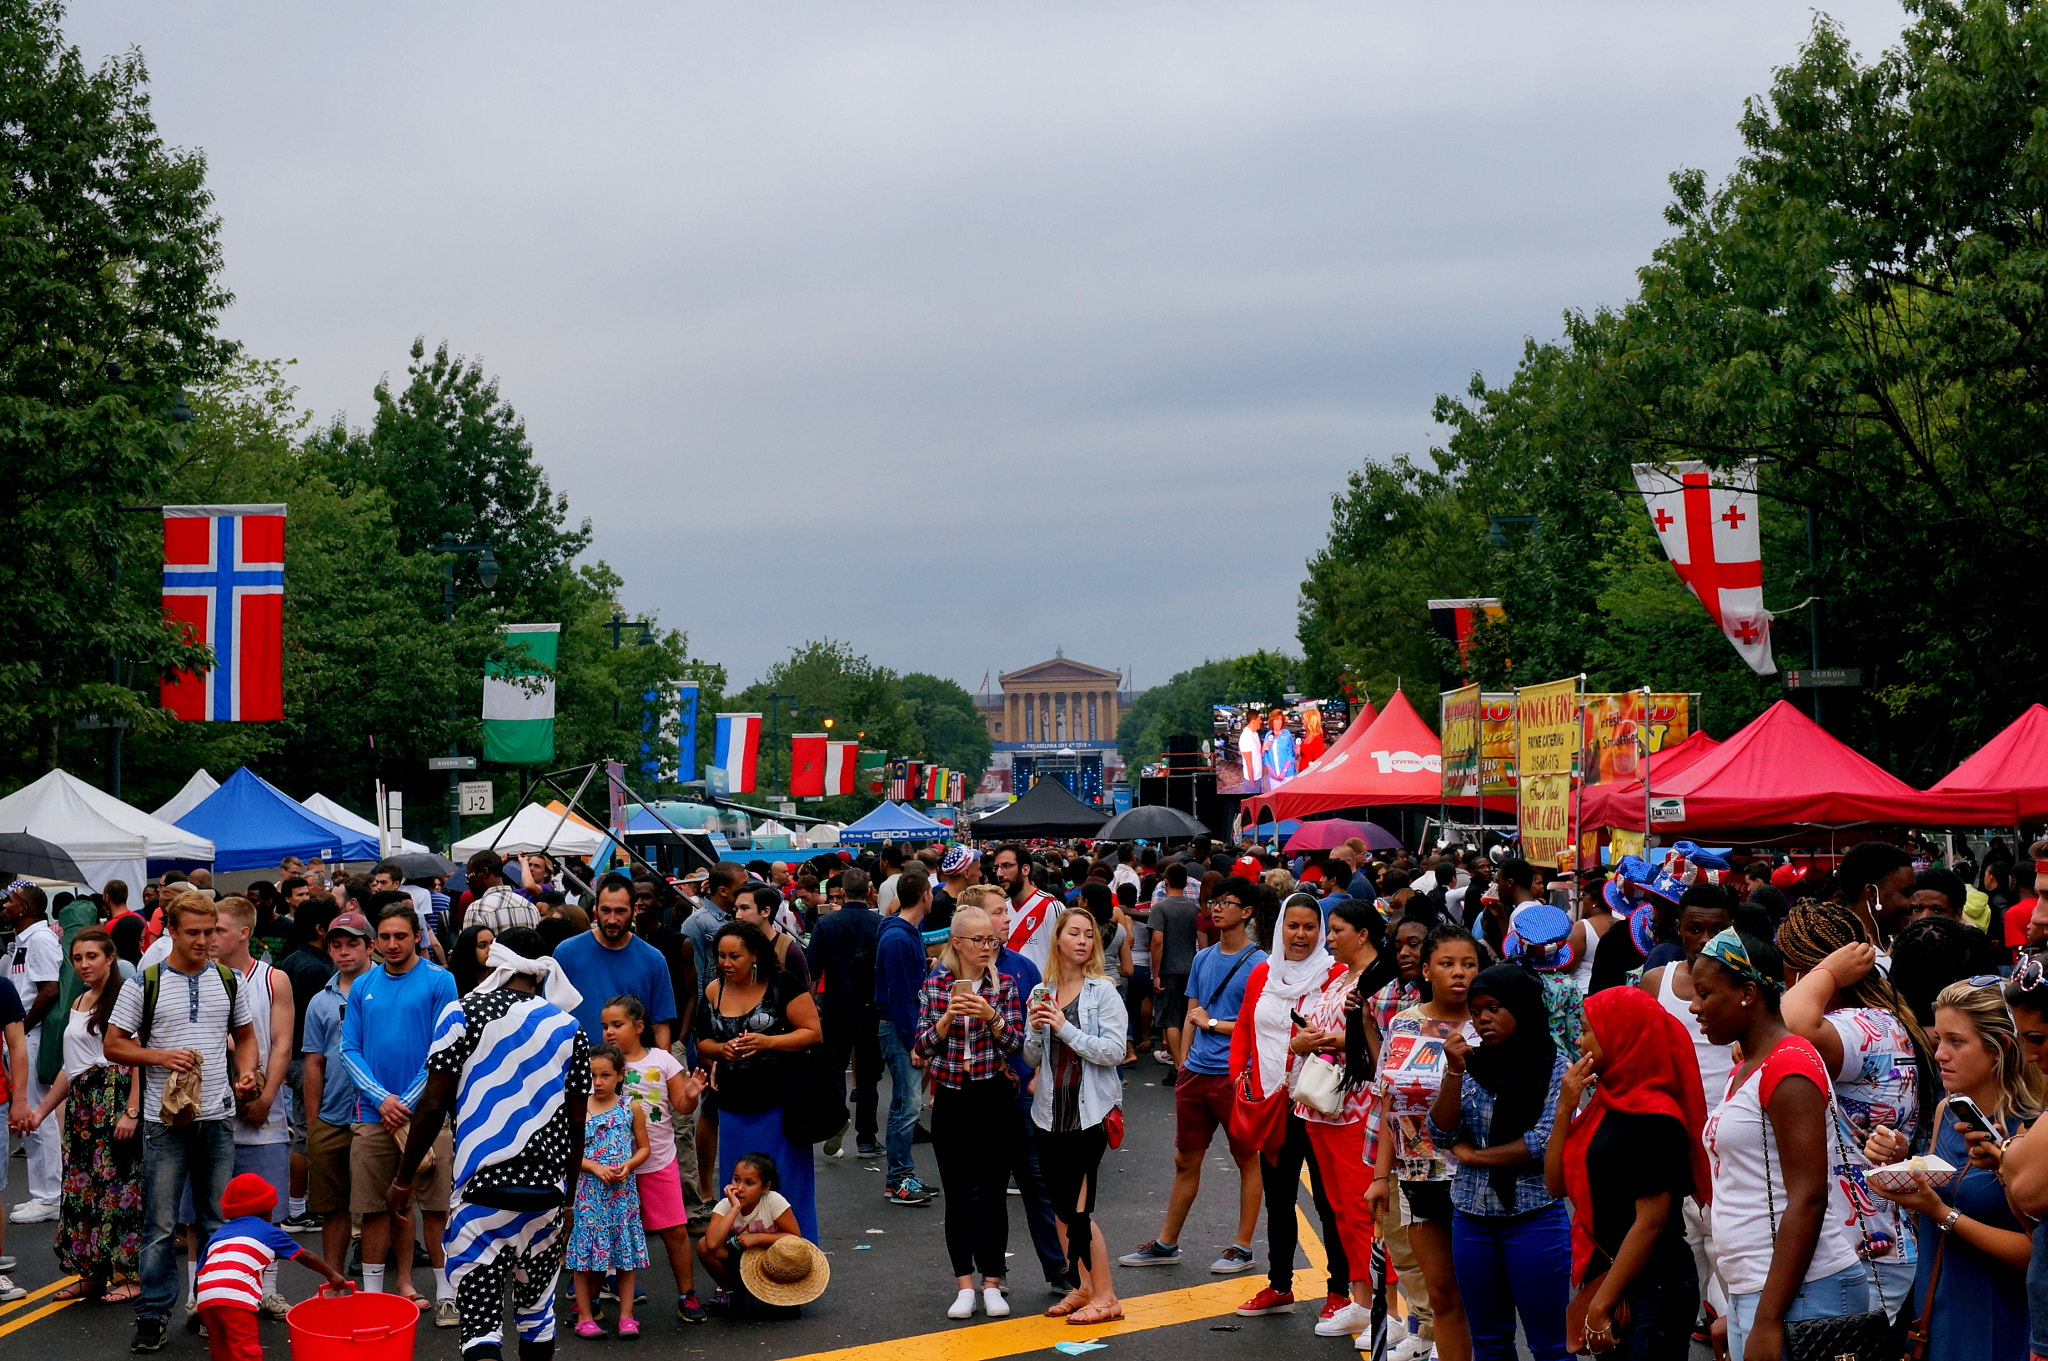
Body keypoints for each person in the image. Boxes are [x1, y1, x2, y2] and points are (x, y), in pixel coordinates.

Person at [390, 927, 591, 1360]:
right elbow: (578, 1125)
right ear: (542, 971)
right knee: (537, 1317)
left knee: (481, 1327)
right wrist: (569, 1200)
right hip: (546, 1196)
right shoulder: (569, 1026)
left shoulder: (461, 1012)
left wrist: (403, 1180)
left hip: (480, 1196)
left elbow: (431, 1104)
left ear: (495, 963)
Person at [1691, 930, 1872, 1361]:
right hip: (1761, 1290)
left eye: (1704, 994)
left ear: (1748, 993)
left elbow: (1808, 1197)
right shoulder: (1747, 1067)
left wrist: (1767, 1319)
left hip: (1803, 1293)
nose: (1694, 1007)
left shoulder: (1789, 1066)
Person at [103, 895, 260, 1354]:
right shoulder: (145, 983)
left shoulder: (229, 980)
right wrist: (158, 1055)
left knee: (216, 1221)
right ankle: (152, 1317)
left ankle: (213, 1309)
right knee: (160, 1224)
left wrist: (247, 1073)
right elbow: (114, 1045)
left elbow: (246, 1037)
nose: (205, 941)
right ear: (171, 931)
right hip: (162, 1122)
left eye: (210, 931)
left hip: (217, 1117)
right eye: (193, 933)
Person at [1864, 978, 2037, 1361]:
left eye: (1956, 1041)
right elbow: (1934, 1209)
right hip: (1937, 1313)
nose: (1940, 1053)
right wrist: (1899, 1168)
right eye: (1939, 1038)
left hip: (2000, 1319)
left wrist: (1944, 1214)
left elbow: (2037, 1252)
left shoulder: (2033, 1128)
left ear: (2000, 1049)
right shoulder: (1949, 1112)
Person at [1776, 900, 1935, 1311]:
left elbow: (1794, 1026)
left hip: (1865, 1251)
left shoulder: (1858, 1026)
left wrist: (1825, 972)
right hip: (1872, 1242)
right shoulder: (1879, 1020)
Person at [1544, 983, 1709, 1361]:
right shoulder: (1605, 1103)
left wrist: (1602, 1304)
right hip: (1615, 1278)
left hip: (1653, 1285)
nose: (1580, 1040)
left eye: (1587, 1030)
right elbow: (1555, 1185)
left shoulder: (1655, 1117)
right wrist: (1563, 1110)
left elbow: (1650, 1222)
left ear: (1622, 1034)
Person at [1119, 878, 1266, 1276]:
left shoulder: (1260, 965)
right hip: (1196, 1074)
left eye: (1226, 903)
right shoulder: (1204, 958)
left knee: (1246, 1159)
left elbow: (1261, 1026)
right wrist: (1183, 1064)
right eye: (1214, 903)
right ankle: (1167, 1243)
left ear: (1247, 912)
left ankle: (1242, 1246)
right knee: (1186, 1158)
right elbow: (1190, 1013)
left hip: (1236, 1076)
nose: (1216, 909)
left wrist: (1215, 1025)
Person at [1429, 964, 1569, 1361]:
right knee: (1489, 1345)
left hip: (1534, 1216)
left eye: (1494, 1007)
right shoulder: (1470, 1064)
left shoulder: (1554, 1066)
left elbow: (1543, 1140)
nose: (1482, 1019)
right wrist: (1453, 1073)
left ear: (1521, 1007)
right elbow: (1440, 1134)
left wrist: (1475, 1156)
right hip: (1472, 1219)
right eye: (1475, 1011)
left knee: (1551, 1347)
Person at [1272, 897, 1396, 1337]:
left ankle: (1390, 1307)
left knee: (1365, 1207)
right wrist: (1309, 1040)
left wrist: (1327, 1043)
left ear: (1362, 934)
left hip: (1356, 1108)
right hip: (1322, 1105)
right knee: (1341, 1207)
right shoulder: (1340, 977)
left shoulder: (1382, 978)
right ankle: (1362, 1300)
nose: (1329, 938)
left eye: (1337, 929)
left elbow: (1382, 1037)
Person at [1230, 893, 1352, 1324]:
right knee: (1278, 1199)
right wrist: (1239, 1079)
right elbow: (1245, 1026)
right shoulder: (1263, 972)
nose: (1301, 935)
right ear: (1279, 927)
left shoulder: (1336, 975)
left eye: (1310, 927)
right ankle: (1280, 1284)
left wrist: (1304, 1046)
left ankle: (1340, 1291)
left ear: (1321, 932)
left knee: (1329, 1200)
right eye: (1293, 926)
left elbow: (1349, 1036)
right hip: (1269, 1103)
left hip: (1319, 1104)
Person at [340, 896, 458, 1315]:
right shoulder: (363, 986)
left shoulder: (440, 980)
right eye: (385, 937)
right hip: (373, 1116)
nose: (392, 944)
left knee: (436, 1208)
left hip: (428, 1115)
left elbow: (445, 1048)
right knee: (374, 1209)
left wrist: (404, 1102)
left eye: (400, 937)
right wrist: (381, 1098)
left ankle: (448, 1296)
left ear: (417, 937)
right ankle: (373, 1298)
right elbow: (348, 1049)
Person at [1372, 923, 1483, 1361]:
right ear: (1426, 971)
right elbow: (1389, 1107)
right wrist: (1382, 1177)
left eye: (1469, 964)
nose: (1459, 973)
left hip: (1478, 1179)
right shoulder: (1403, 1023)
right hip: (1418, 1180)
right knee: (1441, 1296)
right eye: (1448, 964)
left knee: (1481, 1296)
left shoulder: (1489, 1024)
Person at [916, 904, 1026, 1319]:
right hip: (951, 1095)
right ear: (957, 942)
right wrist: (946, 1019)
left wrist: (992, 1017)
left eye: (992, 939)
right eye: (978, 940)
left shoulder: (1006, 985)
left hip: (993, 1094)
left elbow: (1016, 1046)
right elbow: (921, 1047)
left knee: (994, 1192)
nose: (987, 947)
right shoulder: (937, 982)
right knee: (957, 1193)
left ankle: (993, 1281)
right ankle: (964, 1283)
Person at [26, 925, 142, 1301]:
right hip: (82, 1106)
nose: (84, 964)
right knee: (81, 1190)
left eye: (92, 956)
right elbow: (70, 1067)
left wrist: (132, 1111)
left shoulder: (126, 996)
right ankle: (89, 1273)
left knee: (119, 1189)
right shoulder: (79, 1002)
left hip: (114, 1098)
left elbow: (138, 1058)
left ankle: (129, 1275)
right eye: (77, 958)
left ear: (111, 957)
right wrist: (41, 1111)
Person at [1025, 906, 1129, 1326]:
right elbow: (1032, 1057)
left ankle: (1107, 1295)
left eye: (1089, 934)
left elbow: (1114, 1052)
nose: (1083, 940)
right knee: (1060, 1211)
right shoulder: (1040, 991)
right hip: (1049, 1114)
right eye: (1075, 933)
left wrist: (1065, 1028)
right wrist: (1036, 1028)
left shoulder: (1103, 991)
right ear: (1058, 940)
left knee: (1079, 1212)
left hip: (1090, 1117)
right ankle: (1083, 1287)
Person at [692, 920, 823, 1240]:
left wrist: (769, 1042)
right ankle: (743, 1266)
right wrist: (723, 1050)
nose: (725, 963)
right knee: (740, 1189)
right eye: (720, 956)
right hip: (734, 1108)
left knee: (786, 1186)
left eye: (734, 956)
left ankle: (798, 1257)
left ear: (754, 955)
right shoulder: (714, 989)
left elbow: (813, 1032)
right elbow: (703, 1042)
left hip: (781, 1106)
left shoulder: (783, 984)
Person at [601, 995, 709, 1324]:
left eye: (617, 1025)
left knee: (675, 1232)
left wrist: (691, 1094)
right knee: (610, 1230)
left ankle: (687, 1295)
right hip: (613, 1166)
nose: (609, 1032)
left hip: (658, 1162)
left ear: (639, 1026)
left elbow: (681, 1106)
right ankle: (597, 1294)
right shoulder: (602, 1064)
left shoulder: (663, 1061)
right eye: (605, 1026)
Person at [193, 1172, 345, 1361]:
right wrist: (332, 1275)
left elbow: (202, 1269)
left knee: (221, 1350)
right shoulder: (269, 1231)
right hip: (236, 1298)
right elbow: (306, 1257)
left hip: (206, 1296)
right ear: (267, 1211)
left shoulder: (219, 1233)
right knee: (247, 1350)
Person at [298, 910, 370, 1281]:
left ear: (369, 947)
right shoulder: (320, 1001)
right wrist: (314, 1121)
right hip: (333, 1114)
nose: (344, 952)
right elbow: (314, 1063)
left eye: (352, 944)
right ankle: (335, 1279)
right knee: (332, 1206)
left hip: (376, 1113)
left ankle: (381, 1285)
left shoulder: (383, 989)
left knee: (379, 1205)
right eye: (336, 945)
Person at [567, 1044, 650, 1338]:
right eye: (591, 1075)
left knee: (625, 1254)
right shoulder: (576, 1108)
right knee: (584, 1256)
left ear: (619, 1076)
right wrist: (593, 1167)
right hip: (588, 1193)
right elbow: (569, 1152)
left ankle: (627, 1316)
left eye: (605, 1075)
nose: (598, 1082)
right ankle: (585, 1315)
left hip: (622, 1194)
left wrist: (628, 1164)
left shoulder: (631, 1107)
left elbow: (644, 1148)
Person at [552, 873, 678, 1049]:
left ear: (634, 910)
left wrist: (661, 1073)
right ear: (595, 908)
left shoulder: (653, 959)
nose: (612, 919)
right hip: (576, 1066)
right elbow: (550, 1018)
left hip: (632, 1070)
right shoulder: (566, 953)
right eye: (606, 910)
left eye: (620, 911)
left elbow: (660, 1025)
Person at [809, 864, 882, 1159]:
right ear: (868, 891)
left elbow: (812, 970)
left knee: (834, 1070)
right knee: (868, 1076)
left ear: (840, 892)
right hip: (870, 1008)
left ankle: (838, 1118)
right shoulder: (880, 924)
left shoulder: (826, 925)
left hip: (836, 1006)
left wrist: (811, 1003)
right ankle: (866, 1138)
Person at [873, 869, 934, 1204]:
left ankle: (902, 1175)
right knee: (907, 1106)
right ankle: (898, 1179)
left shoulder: (904, 933)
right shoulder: (898, 938)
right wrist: (914, 1043)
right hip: (899, 1029)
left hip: (901, 1026)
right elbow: (898, 995)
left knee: (904, 1104)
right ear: (925, 895)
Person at [5, 881, 63, 1225]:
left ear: (25, 907)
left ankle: (49, 1195)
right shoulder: (24, 941)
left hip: (31, 1035)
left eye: (11, 900)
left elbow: (49, 989)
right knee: (31, 1116)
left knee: (37, 1115)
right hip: (24, 1034)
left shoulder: (40, 939)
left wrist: (22, 1027)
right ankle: (43, 1193)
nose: (5, 905)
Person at [696, 1152, 802, 1308]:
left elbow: (795, 1237)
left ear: (765, 1187)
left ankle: (774, 1291)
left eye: (749, 1183)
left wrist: (758, 1238)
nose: (739, 1188)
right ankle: (729, 1291)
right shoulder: (726, 1205)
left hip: (771, 1258)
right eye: (736, 1180)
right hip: (741, 1257)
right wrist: (735, 1208)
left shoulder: (773, 1201)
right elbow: (711, 1243)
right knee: (703, 1246)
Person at [1149, 864, 1200, 1069]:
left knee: (1170, 1020)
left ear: (1166, 883)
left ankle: (1179, 1065)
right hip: (1190, 969)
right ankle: (1188, 1059)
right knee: (1187, 1018)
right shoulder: (1193, 909)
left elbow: (1157, 942)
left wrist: (1155, 974)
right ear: (1186, 884)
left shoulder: (1159, 909)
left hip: (1168, 969)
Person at [734, 883, 810, 989]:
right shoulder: (733, 944)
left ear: (765, 911)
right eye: (736, 909)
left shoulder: (788, 950)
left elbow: (803, 996)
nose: (738, 915)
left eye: (744, 908)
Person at [461, 850, 540, 932]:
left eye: (470, 875)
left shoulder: (477, 909)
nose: (468, 881)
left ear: (484, 872)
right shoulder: (530, 907)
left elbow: (470, 944)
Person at [450, 924, 497, 995]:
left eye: (493, 944)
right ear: (469, 950)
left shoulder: (504, 977)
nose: (490, 949)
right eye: (482, 946)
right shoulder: (453, 983)